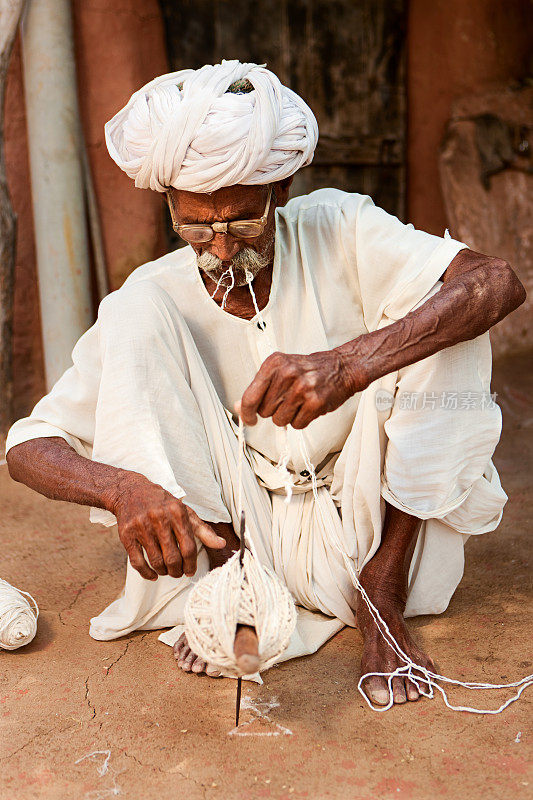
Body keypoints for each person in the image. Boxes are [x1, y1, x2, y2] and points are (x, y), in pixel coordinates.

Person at [5, 61, 526, 706]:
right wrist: (120, 488)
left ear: (278, 190)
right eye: (198, 227)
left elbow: (495, 282)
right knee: (137, 313)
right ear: (169, 204)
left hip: (371, 525)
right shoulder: (156, 292)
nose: (222, 249)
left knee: (448, 316)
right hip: (238, 544)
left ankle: (381, 603)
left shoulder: (338, 225)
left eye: (243, 222)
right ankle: (233, 597)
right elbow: (27, 445)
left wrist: (349, 364)